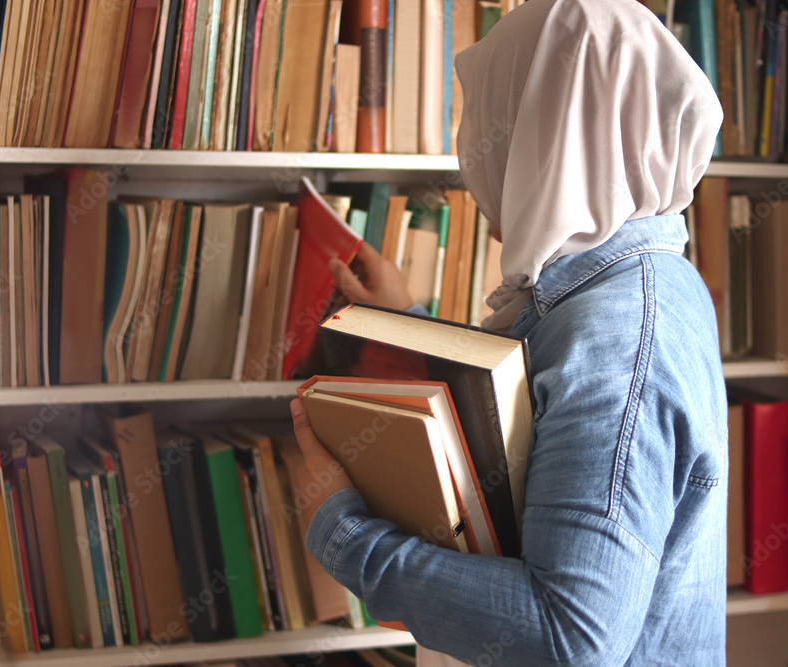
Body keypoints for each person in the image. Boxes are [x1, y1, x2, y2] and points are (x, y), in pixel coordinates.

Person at [289, 0, 727, 663]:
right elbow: (528, 434)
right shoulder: (638, 275)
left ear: (547, 139)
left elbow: (569, 638)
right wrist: (402, 324)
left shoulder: (615, 336)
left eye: (497, 122)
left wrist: (341, 531)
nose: (480, 161)